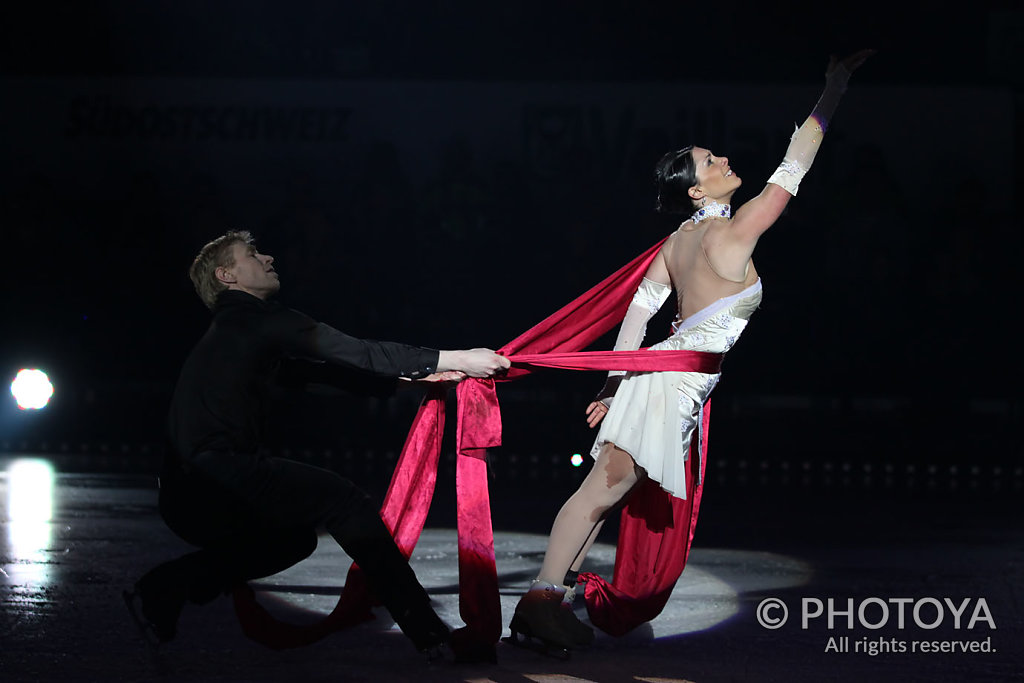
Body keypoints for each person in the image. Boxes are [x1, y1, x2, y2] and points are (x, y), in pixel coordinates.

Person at [509, 51, 874, 649]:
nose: (725, 159)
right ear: (696, 186)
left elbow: (639, 312)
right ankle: (541, 602)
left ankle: (551, 599)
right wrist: (834, 87)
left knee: (607, 494)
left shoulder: (677, 242)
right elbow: (796, 161)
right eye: (712, 160)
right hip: (669, 385)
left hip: (661, 379)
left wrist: (612, 383)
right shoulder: (733, 232)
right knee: (598, 493)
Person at [125, 230, 509, 658]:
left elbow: (313, 374)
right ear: (227, 274)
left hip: (187, 494)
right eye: (253, 254)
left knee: (293, 541)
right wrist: (455, 358)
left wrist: (409, 383)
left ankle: (163, 588)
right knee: (344, 502)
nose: (268, 257)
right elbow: (352, 351)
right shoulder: (253, 319)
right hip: (215, 481)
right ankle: (431, 636)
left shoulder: (237, 330)